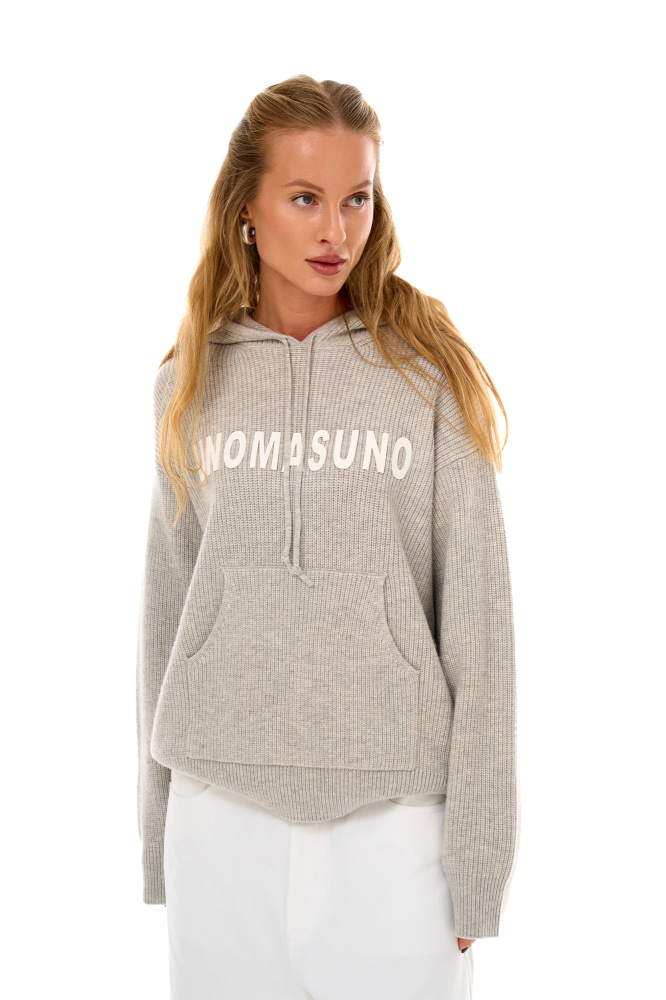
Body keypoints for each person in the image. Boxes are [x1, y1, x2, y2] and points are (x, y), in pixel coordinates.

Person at [136, 73, 520, 1000]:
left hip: (395, 827)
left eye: (357, 199)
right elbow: (167, 608)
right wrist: (156, 840)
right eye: (305, 198)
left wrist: (479, 861)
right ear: (246, 209)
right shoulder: (188, 381)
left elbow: (481, 629)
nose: (336, 232)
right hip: (218, 820)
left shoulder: (427, 377)